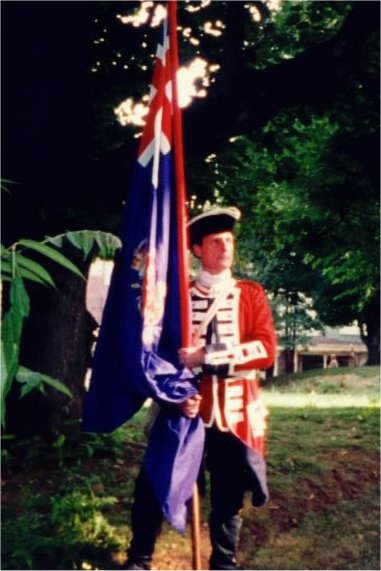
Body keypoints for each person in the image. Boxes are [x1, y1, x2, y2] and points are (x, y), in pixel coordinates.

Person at [126, 206, 276, 570]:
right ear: (197, 249)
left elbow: (265, 350)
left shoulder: (251, 294)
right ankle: (140, 558)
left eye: (228, 241)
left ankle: (224, 562)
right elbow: (157, 355)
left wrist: (206, 356)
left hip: (233, 411)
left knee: (228, 494)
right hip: (184, 409)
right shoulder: (177, 298)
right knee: (154, 481)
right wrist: (175, 397)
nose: (225, 248)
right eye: (215, 242)